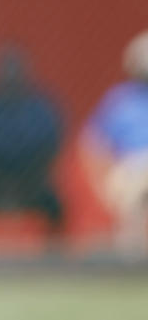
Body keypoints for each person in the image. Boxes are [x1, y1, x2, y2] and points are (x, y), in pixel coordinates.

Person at [0, 48, 64, 238]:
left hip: (31, 187)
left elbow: (50, 148)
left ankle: (54, 252)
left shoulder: (39, 108)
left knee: (56, 206)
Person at [79, 29, 148, 259]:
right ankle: (131, 257)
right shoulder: (119, 100)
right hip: (130, 172)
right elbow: (92, 146)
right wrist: (103, 183)